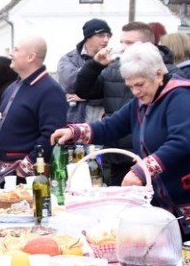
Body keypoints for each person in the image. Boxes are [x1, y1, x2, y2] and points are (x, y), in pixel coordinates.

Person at [54, 42, 190, 244]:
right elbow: (111, 126)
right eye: (130, 86)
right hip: (173, 200)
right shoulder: (143, 101)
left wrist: (140, 171)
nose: (135, 92)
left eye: (140, 85)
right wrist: (74, 132)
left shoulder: (184, 97)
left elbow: (180, 143)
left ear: (159, 75)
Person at [72, 21, 182, 185]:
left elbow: (180, 139)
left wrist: (147, 163)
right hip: (117, 156)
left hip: (152, 159)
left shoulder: (170, 76)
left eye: (129, 43)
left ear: (147, 45)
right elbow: (84, 91)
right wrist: (94, 66)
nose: (123, 48)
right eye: (121, 42)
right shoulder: (114, 68)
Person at [0, 36, 66, 180]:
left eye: (16, 50)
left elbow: (51, 135)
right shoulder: (14, 86)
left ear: (31, 57)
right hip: (5, 175)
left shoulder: (50, 90)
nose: (11, 53)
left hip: (28, 178)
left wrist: (26, 167)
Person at [57, 18, 111, 123]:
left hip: (104, 122)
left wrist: (87, 96)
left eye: (108, 36)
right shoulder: (68, 59)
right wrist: (95, 69)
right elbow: (70, 84)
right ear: (88, 37)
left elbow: (114, 90)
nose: (106, 40)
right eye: (101, 35)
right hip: (75, 121)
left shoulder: (112, 60)